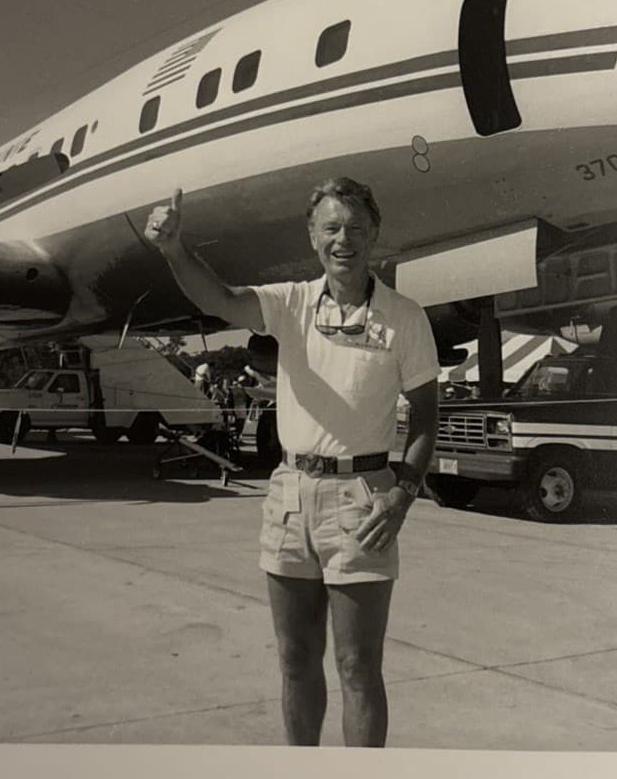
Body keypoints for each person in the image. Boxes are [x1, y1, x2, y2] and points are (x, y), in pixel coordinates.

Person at [145, 177, 439, 747]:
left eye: (355, 228)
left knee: (357, 668)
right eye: (330, 228)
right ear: (312, 237)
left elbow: (427, 414)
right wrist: (174, 248)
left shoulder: (404, 318)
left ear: (374, 234)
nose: (343, 240)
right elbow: (219, 299)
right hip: (290, 495)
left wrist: (403, 494)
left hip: (364, 500)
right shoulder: (292, 304)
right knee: (296, 660)